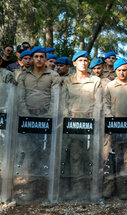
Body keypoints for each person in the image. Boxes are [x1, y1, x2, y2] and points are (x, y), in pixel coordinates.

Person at [15, 46, 60, 201]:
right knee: (30, 154)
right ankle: (31, 189)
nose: (39, 59)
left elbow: (55, 98)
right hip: (28, 119)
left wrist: (48, 117)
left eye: (42, 56)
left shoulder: (53, 76)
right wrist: (27, 117)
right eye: (36, 57)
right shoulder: (23, 76)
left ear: (45, 59)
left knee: (47, 154)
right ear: (32, 59)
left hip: (47, 119)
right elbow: (20, 98)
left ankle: (47, 190)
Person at [61, 50, 102, 200]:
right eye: (80, 60)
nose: (83, 63)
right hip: (73, 123)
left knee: (93, 157)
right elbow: (63, 102)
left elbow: (99, 103)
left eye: (86, 60)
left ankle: (93, 190)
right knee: (75, 156)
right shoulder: (68, 81)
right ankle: (77, 189)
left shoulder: (95, 80)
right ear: (74, 63)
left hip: (91, 122)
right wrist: (67, 117)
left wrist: (94, 117)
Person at [102, 58, 127, 200]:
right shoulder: (110, 86)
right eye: (119, 70)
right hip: (112, 127)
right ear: (115, 70)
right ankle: (109, 187)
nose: (122, 73)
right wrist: (110, 117)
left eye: (124, 70)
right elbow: (105, 104)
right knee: (110, 158)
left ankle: (124, 188)